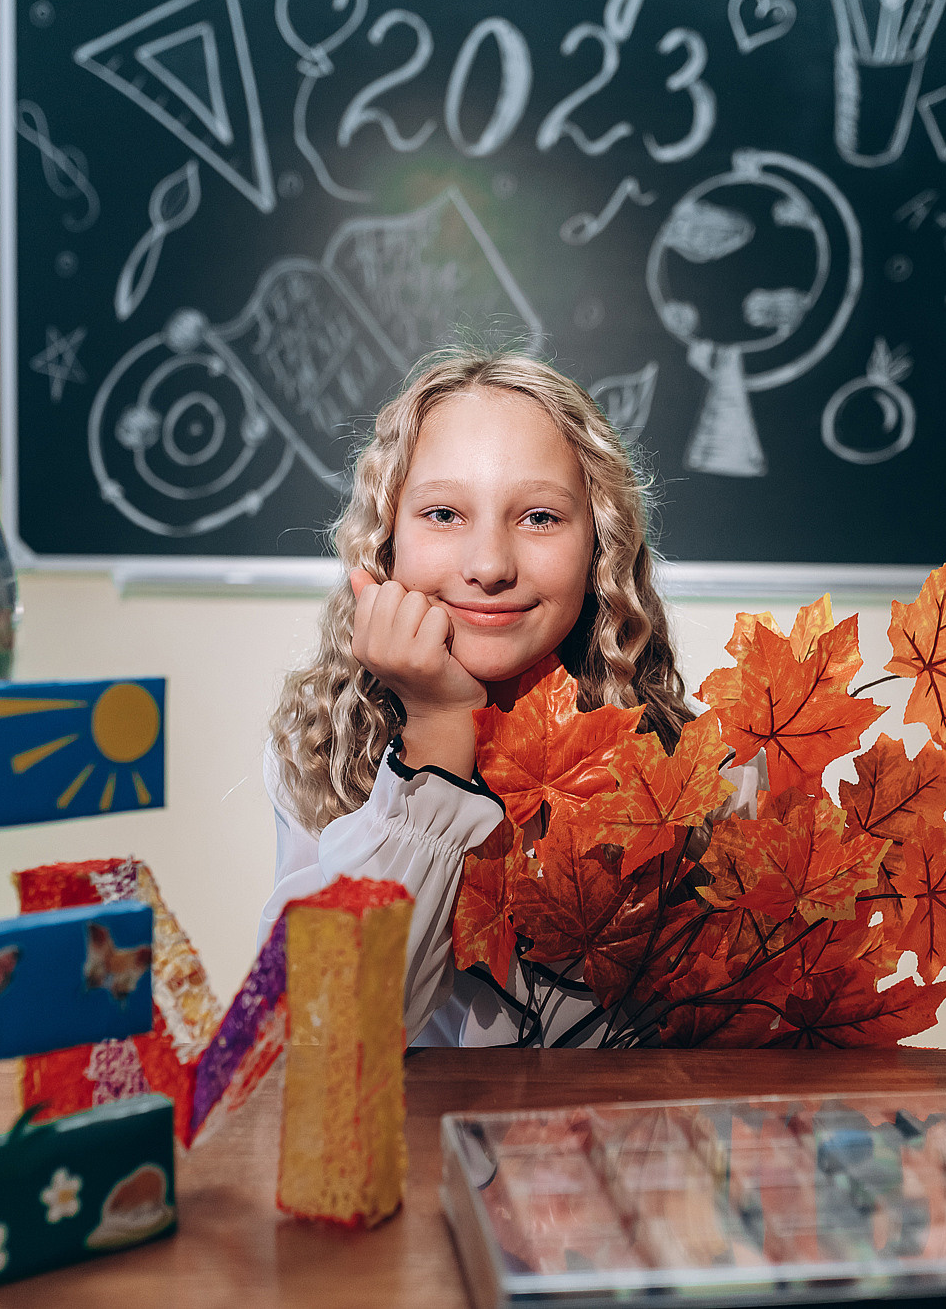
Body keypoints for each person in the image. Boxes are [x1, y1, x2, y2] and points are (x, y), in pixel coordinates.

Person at [261, 349, 707, 1046]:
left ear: (600, 543)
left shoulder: (691, 769)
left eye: (538, 517)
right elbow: (330, 1031)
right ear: (385, 544)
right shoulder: (322, 752)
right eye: (443, 513)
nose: (491, 566)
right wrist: (437, 731)